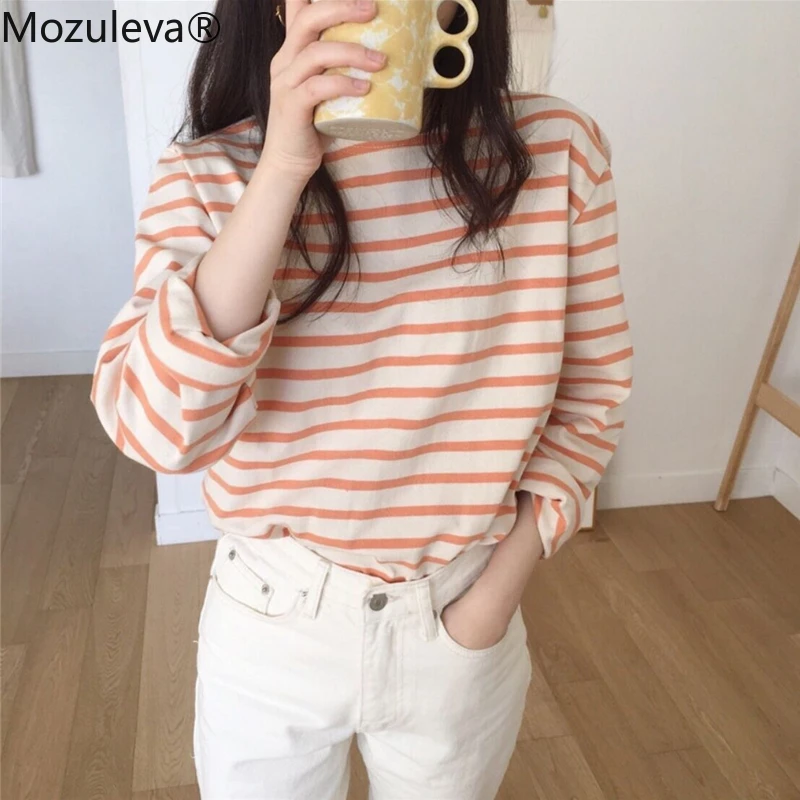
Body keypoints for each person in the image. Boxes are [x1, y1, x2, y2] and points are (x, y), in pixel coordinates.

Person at [90, 0, 634, 797]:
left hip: (463, 607)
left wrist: (492, 596)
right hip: (270, 619)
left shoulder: (557, 151)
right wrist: (282, 167)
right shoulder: (208, 172)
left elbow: (592, 398)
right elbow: (157, 431)